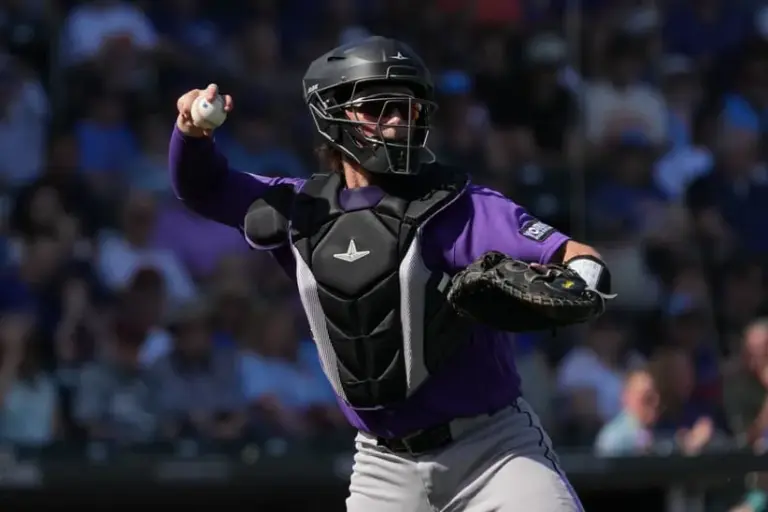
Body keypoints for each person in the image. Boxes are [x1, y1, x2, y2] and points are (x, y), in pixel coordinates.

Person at [169, 36, 612, 511]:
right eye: (379, 107)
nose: (398, 121)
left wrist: (582, 280)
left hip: (494, 450)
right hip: (384, 465)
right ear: (334, 113)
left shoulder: (460, 206)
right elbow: (203, 187)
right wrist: (191, 132)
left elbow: (577, 256)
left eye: (407, 108)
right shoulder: (299, 210)